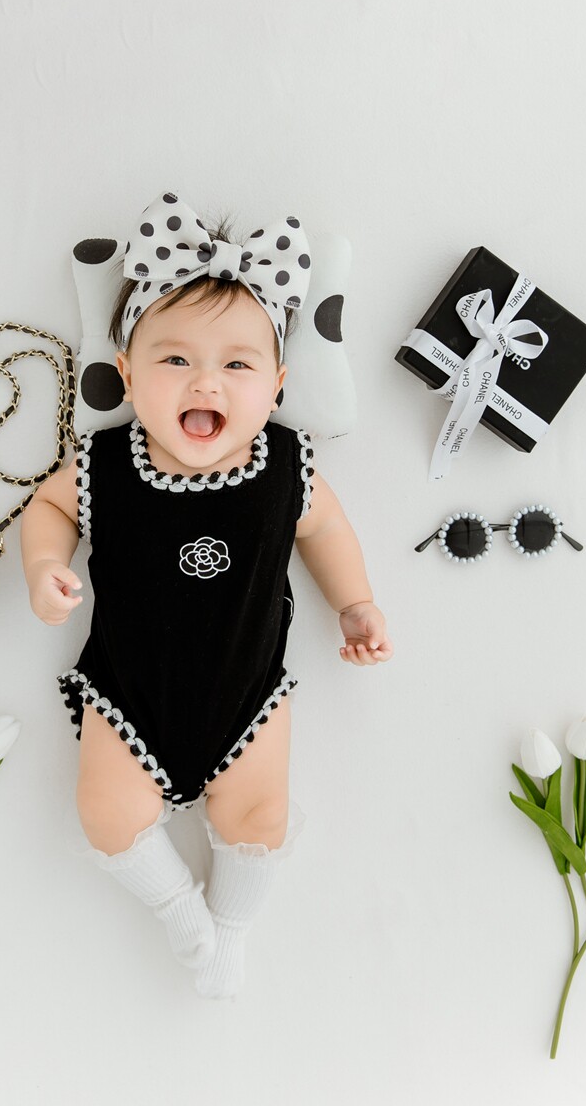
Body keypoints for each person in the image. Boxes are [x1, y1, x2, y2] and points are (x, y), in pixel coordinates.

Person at [20, 192, 393, 999]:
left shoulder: (284, 466)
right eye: (175, 361)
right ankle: (180, 910)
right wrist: (44, 564)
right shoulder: (106, 466)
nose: (206, 382)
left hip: (247, 693)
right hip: (127, 690)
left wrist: (355, 602)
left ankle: (231, 928)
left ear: (278, 385)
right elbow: (48, 507)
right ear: (127, 374)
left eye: (237, 365)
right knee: (106, 812)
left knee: (259, 817)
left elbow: (327, 530)